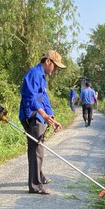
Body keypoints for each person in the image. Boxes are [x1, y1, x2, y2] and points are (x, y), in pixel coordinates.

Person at [18, 50, 66, 195]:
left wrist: (51, 118)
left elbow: (43, 100)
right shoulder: (34, 74)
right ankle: (35, 186)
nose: (55, 70)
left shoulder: (42, 77)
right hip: (32, 117)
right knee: (36, 150)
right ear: (48, 61)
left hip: (40, 117)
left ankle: (39, 176)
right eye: (55, 66)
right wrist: (43, 115)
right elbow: (30, 99)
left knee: (38, 148)